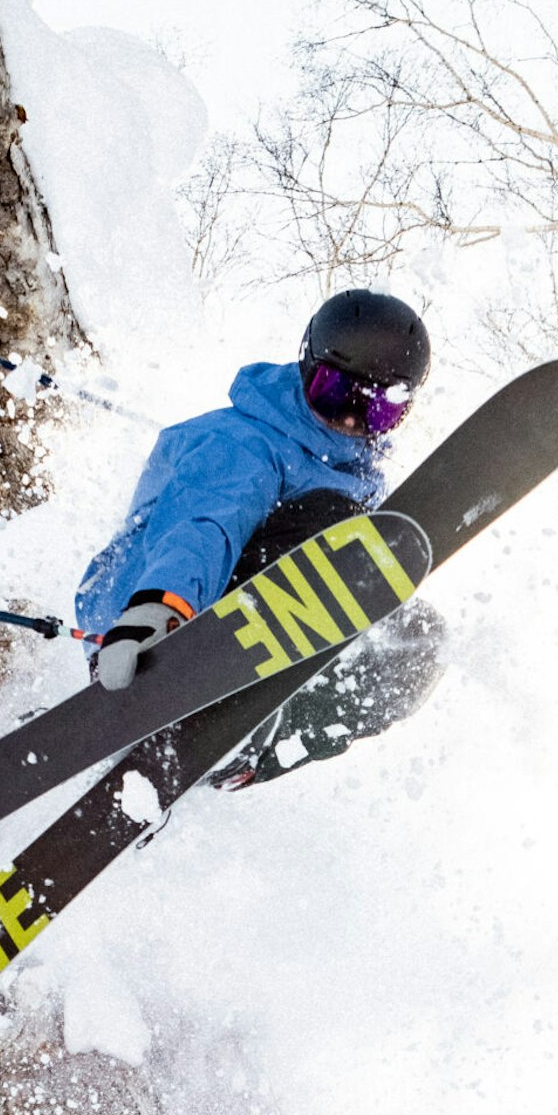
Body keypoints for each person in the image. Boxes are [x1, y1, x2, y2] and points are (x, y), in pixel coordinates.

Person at [75, 288, 447, 785]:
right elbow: (205, 525)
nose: (353, 419)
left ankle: (255, 741)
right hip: (146, 620)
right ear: (305, 366)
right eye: (334, 392)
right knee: (340, 531)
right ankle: (207, 700)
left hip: (244, 646)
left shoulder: (359, 475)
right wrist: (156, 609)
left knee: (416, 643)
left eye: (378, 409)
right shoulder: (243, 441)